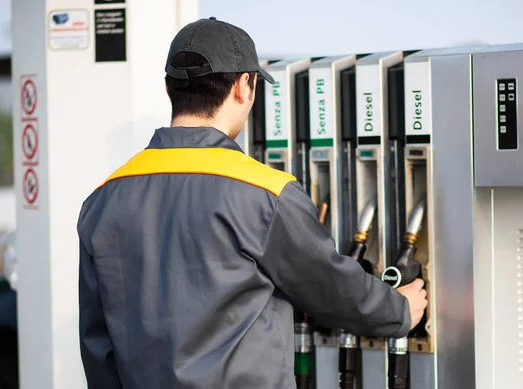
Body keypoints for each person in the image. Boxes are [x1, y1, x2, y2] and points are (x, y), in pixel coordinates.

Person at [77, 16, 428, 389]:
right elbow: (330, 286)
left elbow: (97, 344)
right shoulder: (264, 193)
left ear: (169, 88)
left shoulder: (103, 199)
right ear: (244, 86)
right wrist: (399, 309)